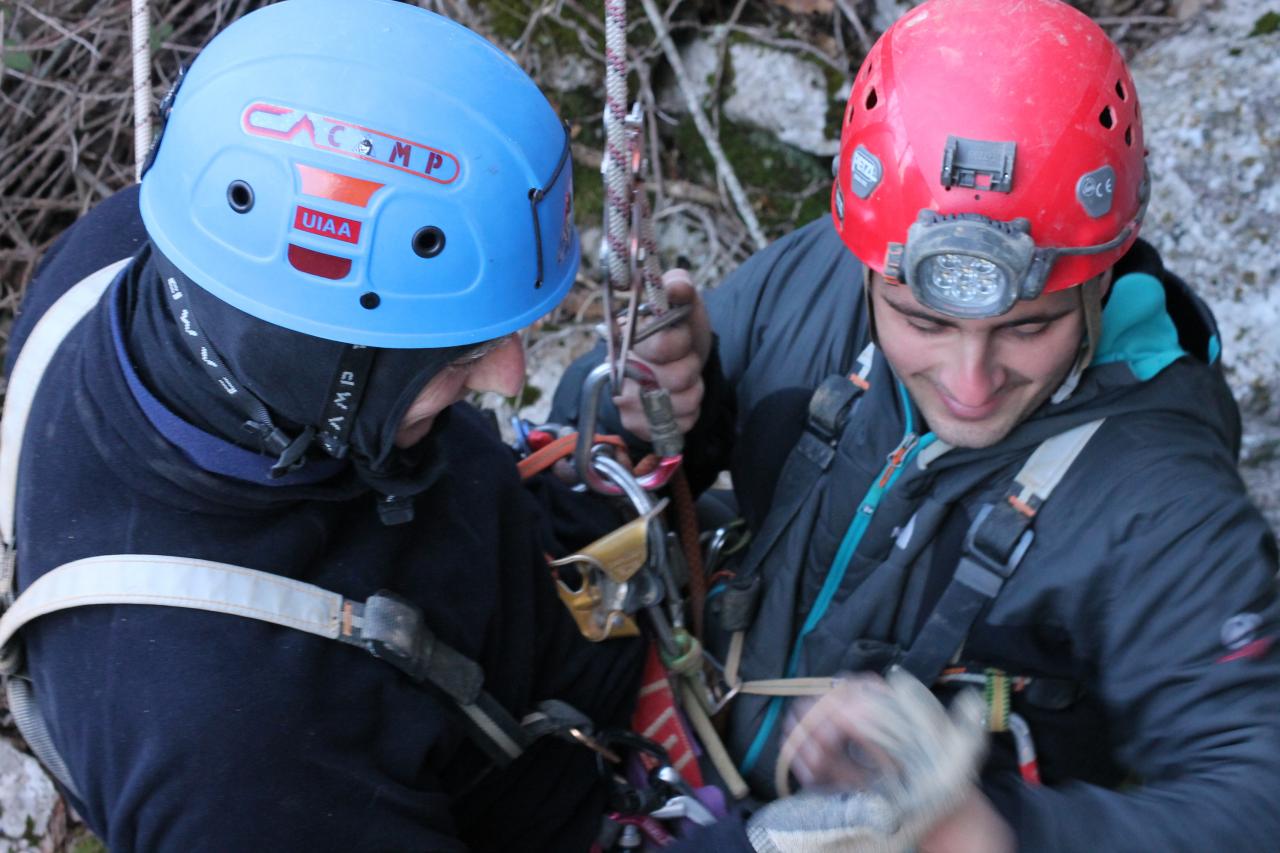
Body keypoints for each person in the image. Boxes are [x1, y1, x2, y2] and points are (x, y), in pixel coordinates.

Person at [552, 0, 1280, 849]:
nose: (969, 384)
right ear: (873, 266)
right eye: (923, 323)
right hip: (683, 743)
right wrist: (671, 390)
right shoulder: (832, 274)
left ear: (1101, 273)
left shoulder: (1159, 498)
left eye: (1029, 327)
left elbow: (1259, 790)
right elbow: (591, 444)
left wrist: (998, 833)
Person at [0, 1, 680, 849]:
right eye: (458, 351)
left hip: (544, 590)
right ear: (305, 356)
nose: (509, 378)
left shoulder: (142, 258)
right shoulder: (240, 758)